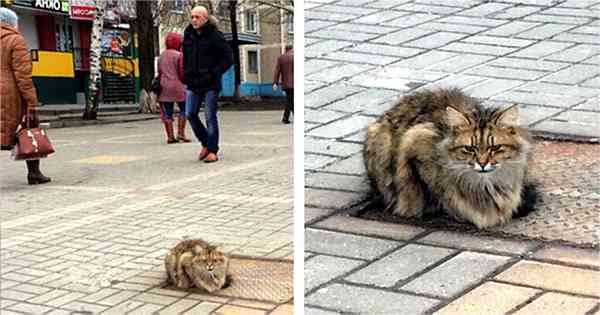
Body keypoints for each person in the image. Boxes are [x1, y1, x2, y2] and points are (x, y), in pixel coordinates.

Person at [0, 7, 50, 185]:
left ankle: (35, 173)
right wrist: (31, 102)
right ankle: (34, 173)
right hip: (10, 96)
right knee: (27, 129)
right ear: (11, 22)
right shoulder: (15, 40)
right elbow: (23, 75)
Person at [182, 6, 233, 163]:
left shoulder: (215, 35)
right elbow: (185, 56)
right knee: (190, 113)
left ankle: (212, 150)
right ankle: (206, 142)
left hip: (210, 82)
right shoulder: (188, 35)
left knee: (210, 115)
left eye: (197, 17)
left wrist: (214, 72)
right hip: (193, 82)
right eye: (192, 17)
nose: (194, 20)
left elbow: (228, 58)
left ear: (205, 18)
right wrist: (186, 74)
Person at [157, 32, 190, 144]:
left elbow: (160, 72)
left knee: (168, 112)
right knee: (184, 109)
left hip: (164, 86)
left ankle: (170, 137)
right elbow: (182, 72)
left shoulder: (161, 56)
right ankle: (181, 134)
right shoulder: (179, 55)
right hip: (179, 86)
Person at [273, 45, 294, 124]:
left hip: (285, 84)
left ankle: (286, 118)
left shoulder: (281, 58)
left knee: (291, 100)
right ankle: (285, 118)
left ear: (285, 49)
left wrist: (275, 83)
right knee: (290, 101)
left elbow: (277, 71)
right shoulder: (294, 57)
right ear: (291, 49)